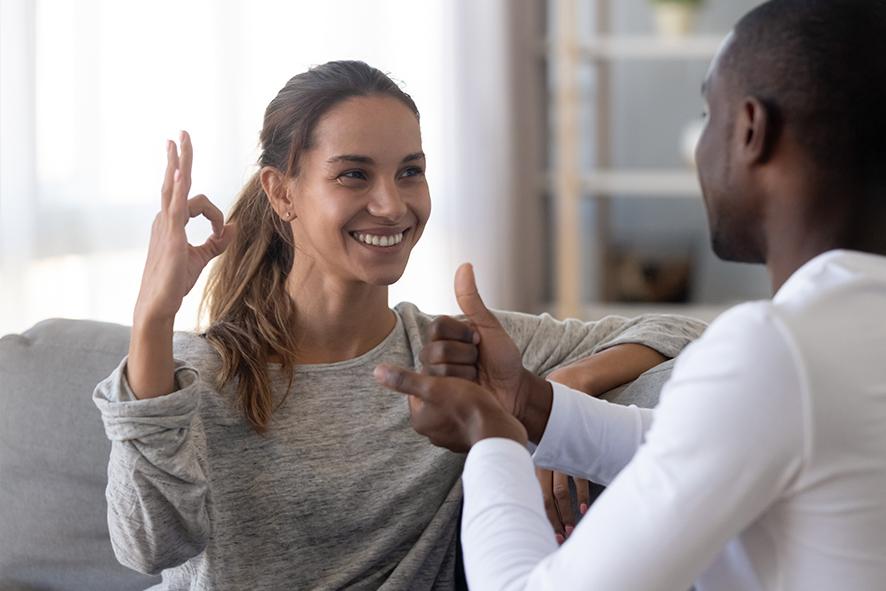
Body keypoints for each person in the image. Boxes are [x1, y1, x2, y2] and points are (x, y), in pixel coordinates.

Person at [92, 60, 705, 589]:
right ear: (282, 194)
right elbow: (149, 546)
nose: (392, 204)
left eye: (410, 171)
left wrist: (556, 394)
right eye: (354, 174)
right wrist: (153, 318)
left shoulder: (452, 354)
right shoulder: (201, 373)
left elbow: (682, 333)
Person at [374, 1, 886, 589]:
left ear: (750, 129)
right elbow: (689, 443)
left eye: (705, 114)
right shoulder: (842, 332)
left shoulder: (776, 349)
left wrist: (491, 436)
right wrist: (529, 400)